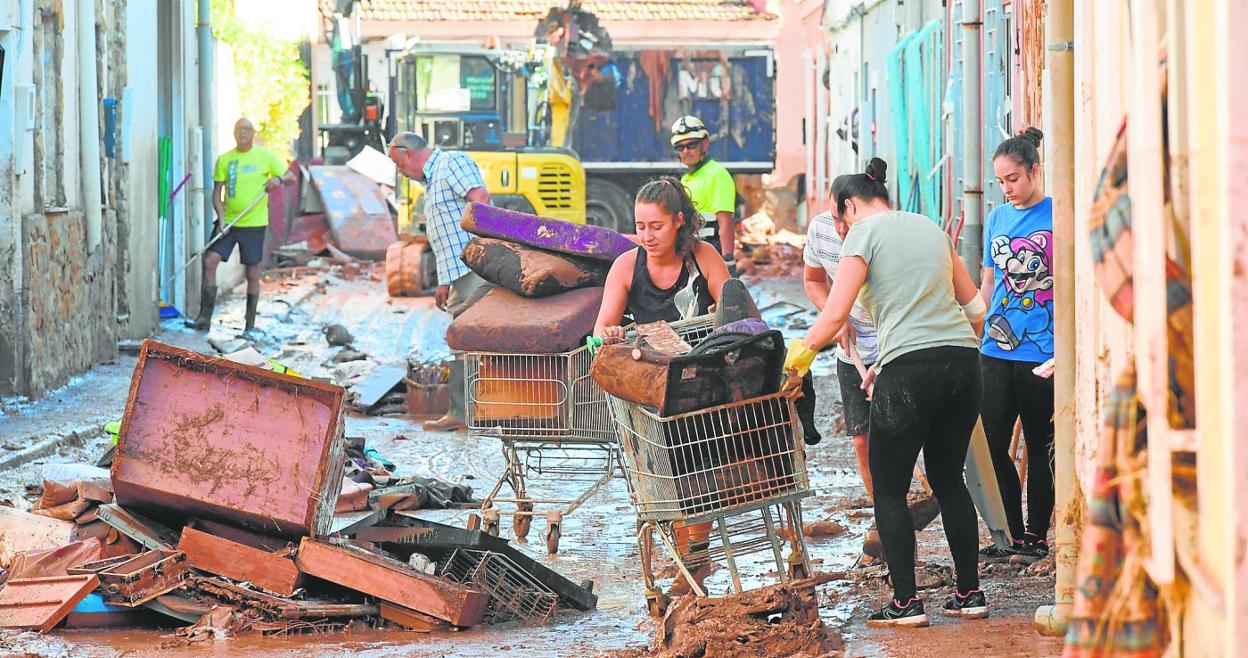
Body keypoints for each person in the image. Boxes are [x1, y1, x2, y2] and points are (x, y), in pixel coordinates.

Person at [783, 159, 988, 628]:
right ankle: (970, 594)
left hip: (909, 374)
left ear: (849, 207)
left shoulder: (861, 234)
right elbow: (974, 307)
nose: (840, 229)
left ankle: (906, 603)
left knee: (890, 491)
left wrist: (794, 366)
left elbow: (835, 317)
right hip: (962, 364)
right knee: (949, 478)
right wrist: (902, 358)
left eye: (839, 220)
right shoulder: (930, 228)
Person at [593, 177, 730, 595]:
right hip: (652, 384)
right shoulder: (626, 266)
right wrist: (611, 335)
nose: (647, 236)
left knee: (700, 465)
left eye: (656, 226)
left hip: (702, 379)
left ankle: (696, 557)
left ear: (679, 223)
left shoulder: (703, 257)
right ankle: (688, 555)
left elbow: (737, 309)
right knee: (659, 472)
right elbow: (601, 327)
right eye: (640, 226)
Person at [977, 128, 1055, 561]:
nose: (1007, 189)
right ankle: (1011, 529)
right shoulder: (997, 218)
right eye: (1001, 181)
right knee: (992, 441)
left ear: (1034, 171)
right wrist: (974, 324)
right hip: (995, 347)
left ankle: (1039, 534)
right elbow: (990, 281)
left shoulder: (1057, 214)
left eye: (1013, 179)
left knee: (1042, 442)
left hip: (1042, 351)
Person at [388, 132, 492, 431]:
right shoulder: (432, 183)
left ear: (408, 153)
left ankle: (467, 412)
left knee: (465, 334)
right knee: (460, 337)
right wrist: (444, 283)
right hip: (457, 270)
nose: (399, 170)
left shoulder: (450, 163)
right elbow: (445, 236)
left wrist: (482, 253)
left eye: (397, 162)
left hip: (473, 264)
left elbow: (480, 199)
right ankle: (463, 412)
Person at [802, 175, 878, 500]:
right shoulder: (820, 231)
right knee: (861, 437)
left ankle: (895, 497)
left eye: (844, 219)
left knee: (897, 432)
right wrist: (837, 315)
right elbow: (813, 281)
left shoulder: (882, 235)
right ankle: (882, 509)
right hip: (852, 348)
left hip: (894, 345)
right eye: (834, 218)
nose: (840, 229)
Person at [193, 118, 294, 333]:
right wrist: (221, 219)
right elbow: (217, 194)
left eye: (247, 129)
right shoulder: (225, 160)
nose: (243, 133)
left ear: (253, 132)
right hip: (228, 222)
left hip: (254, 224)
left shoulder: (265, 157)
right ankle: (204, 318)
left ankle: (249, 325)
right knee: (210, 260)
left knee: (252, 273)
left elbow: (290, 177)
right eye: (239, 130)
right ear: (234, 133)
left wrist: (279, 181)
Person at [671, 116, 738, 272]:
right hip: (692, 252)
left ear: (705, 143)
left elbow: (725, 221)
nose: (686, 151)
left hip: (711, 252)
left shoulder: (717, 174)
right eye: (680, 147)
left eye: (691, 145)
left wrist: (728, 260)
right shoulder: (686, 178)